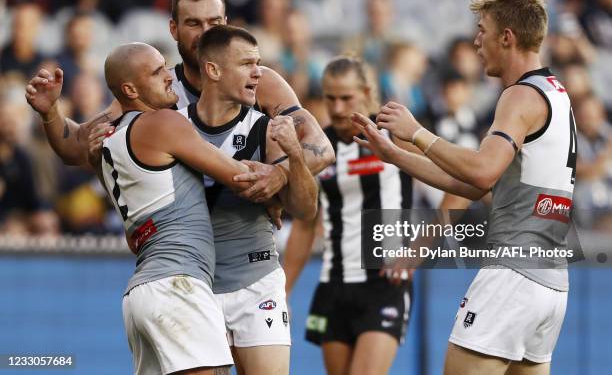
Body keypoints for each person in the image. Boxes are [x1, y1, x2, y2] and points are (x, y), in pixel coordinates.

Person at [353, 0, 575, 375]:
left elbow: (482, 170)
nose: (476, 42)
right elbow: (478, 185)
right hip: (551, 282)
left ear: (506, 38)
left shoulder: (519, 96)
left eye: (482, 31)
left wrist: (416, 132)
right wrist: (395, 153)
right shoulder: (556, 94)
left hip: (513, 276)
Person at [25, 42, 277, 375]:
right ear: (130, 89)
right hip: (177, 283)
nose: (169, 77)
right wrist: (285, 172)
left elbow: (75, 149)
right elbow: (242, 178)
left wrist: (50, 114)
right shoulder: (162, 124)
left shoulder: (106, 143)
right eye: (157, 72)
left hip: (142, 294)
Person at [25, 0, 334, 194]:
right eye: (193, 24)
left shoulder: (262, 81)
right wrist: (50, 112)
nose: (205, 34)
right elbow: (75, 146)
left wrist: (280, 174)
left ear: (226, 22)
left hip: (249, 247)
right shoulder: (158, 90)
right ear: (173, 29)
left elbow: (320, 147)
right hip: (183, 247)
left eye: (214, 23)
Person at [175, 24, 318, 375]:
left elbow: (305, 209)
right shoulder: (172, 127)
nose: (259, 73)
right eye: (246, 64)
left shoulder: (266, 128)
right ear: (213, 70)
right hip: (193, 284)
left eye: (259, 63)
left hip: (257, 280)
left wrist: (294, 160)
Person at [283, 56, 412, 375]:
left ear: (366, 92)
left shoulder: (394, 135)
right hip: (334, 283)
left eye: (346, 98)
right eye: (330, 98)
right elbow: (303, 225)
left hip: (383, 282)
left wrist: (417, 249)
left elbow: (457, 186)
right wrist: (281, 292)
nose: (338, 107)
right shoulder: (318, 149)